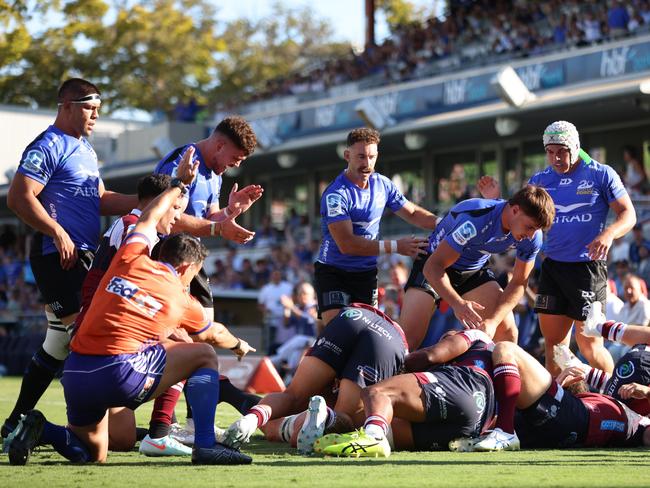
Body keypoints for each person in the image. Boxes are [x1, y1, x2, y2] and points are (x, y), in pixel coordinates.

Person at [7, 170, 255, 466]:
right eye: (176, 210)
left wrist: (178, 186)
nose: (177, 217)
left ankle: (43, 428)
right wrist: (239, 344)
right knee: (199, 352)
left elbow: (148, 220)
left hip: (76, 371)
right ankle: (187, 439)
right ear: (188, 267)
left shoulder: (130, 254)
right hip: (118, 369)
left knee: (104, 448)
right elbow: (213, 334)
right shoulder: (178, 295)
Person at [2, 79, 138, 440]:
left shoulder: (87, 150)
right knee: (87, 338)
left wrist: (146, 200)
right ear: (66, 105)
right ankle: (76, 431)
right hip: (57, 256)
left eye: (98, 110)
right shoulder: (47, 145)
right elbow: (19, 197)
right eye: (89, 108)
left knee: (59, 344)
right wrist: (57, 232)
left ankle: (14, 422)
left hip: (82, 256)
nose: (95, 116)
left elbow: (101, 199)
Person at [480, 121, 636, 376]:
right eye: (550, 152)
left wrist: (608, 234)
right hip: (553, 267)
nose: (556, 158)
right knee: (554, 346)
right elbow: (516, 215)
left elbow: (628, 214)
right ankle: (557, 408)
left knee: (590, 344)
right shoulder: (540, 180)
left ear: (575, 147)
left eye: (561, 151)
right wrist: (496, 199)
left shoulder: (600, 173)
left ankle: (611, 398)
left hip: (588, 268)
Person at [154, 115, 262, 440]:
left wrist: (230, 213)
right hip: (167, 261)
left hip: (194, 261)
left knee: (200, 339)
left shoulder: (214, 174)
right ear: (219, 145)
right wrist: (219, 226)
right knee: (181, 342)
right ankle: (161, 425)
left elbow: (207, 219)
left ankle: (190, 422)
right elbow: (165, 216)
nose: (234, 165)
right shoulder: (182, 162)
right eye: (234, 158)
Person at [223, 303, 408, 455]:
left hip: (354, 316)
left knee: (293, 395)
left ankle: (251, 420)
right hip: (390, 338)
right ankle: (326, 417)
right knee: (345, 419)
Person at [400, 185, 554, 350]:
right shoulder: (476, 219)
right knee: (407, 341)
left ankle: (497, 374)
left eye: (536, 229)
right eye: (529, 227)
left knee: (507, 333)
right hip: (435, 263)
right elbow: (433, 267)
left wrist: (493, 322)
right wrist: (457, 303)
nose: (531, 235)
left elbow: (518, 283)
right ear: (515, 210)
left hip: (472, 268)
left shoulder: (532, 237)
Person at [314, 128, 437, 325]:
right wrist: (397, 247)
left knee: (365, 332)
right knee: (339, 331)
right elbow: (347, 245)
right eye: (361, 157)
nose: (367, 164)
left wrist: (445, 223)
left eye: (371, 157)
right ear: (347, 156)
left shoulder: (383, 185)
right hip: (333, 271)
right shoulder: (336, 195)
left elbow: (413, 213)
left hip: (366, 272)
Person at [318, 329, 496, 457]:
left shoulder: (476, 335)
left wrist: (398, 362)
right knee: (368, 422)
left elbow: (430, 355)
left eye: (446, 337)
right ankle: (330, 423)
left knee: (376, 392)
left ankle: (373, 437)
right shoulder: (491, 358)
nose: (444, 339)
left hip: (466, 384)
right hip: (474, 424)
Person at [470, 339, 650, 451]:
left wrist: (648, 392)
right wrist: (569, 374)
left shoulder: (640, 423)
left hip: (577, 418)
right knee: (480, 427)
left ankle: (505, 432)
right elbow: (598, 378)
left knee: (505, 349)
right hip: (563, 423)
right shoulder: (615, 395)